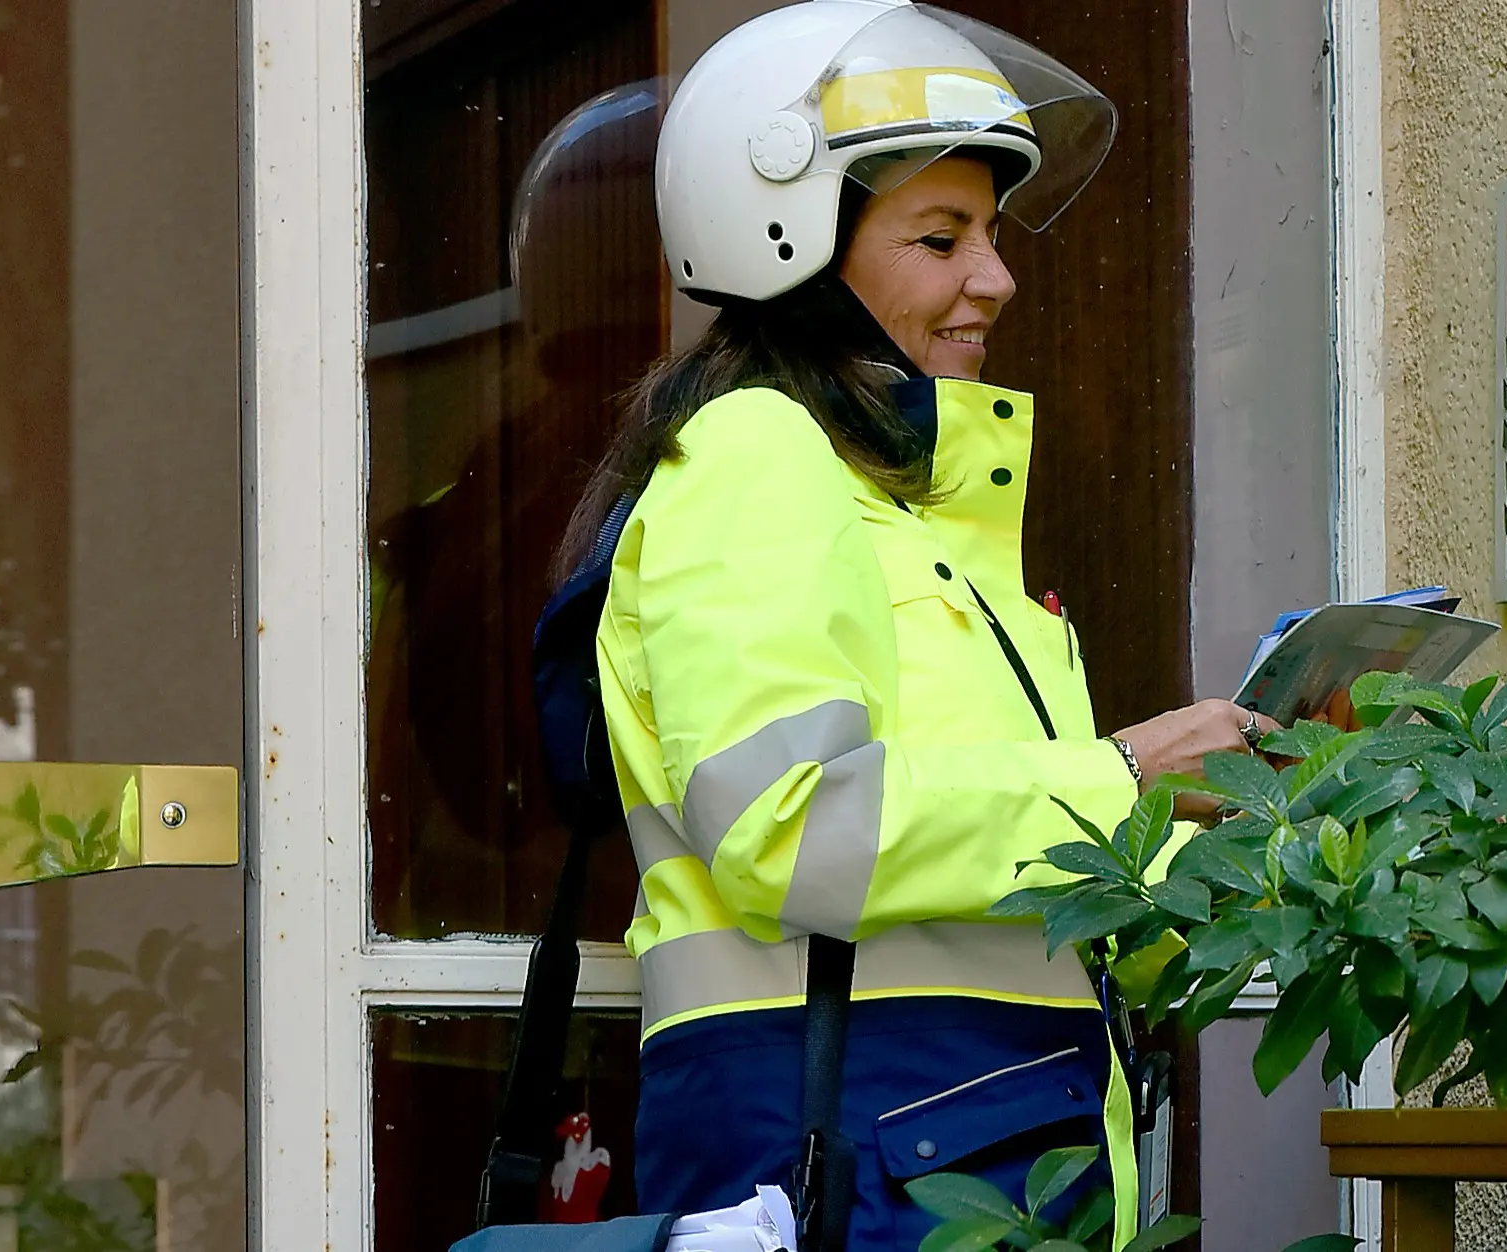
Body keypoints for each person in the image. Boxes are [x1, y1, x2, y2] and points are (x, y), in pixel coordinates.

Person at [547, 3, 1281, 1246]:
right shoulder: (758, 453)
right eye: (939, 238)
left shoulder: (912, 511)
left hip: (954, 1149)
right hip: (850, 1155)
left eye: (988, 236)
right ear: (783, 240)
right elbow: (788, 831)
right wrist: (1123, 773)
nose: (994, 277)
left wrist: (1289, 853)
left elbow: (1014, 892)